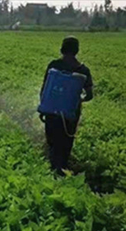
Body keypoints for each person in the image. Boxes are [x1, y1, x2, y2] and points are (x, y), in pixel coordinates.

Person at [40, 36, 93, 175]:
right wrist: (77, 100)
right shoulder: (83, 71)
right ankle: (62, 169)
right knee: (66, 142)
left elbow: (45, 89)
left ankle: (52, 169)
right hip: (70, 114)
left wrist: (43, 107)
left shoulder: (54, 66)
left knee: (52, 142)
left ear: (62, 49)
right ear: (77, 50)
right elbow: (89, 95)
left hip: (52, 110)